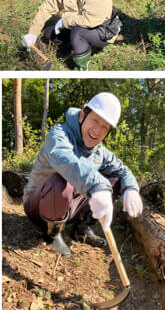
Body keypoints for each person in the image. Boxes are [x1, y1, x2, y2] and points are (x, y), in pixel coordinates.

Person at [22, 92, 142, 257]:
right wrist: (97, 185)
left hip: (69, 208)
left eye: (105, 127)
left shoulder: (100, 152)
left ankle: (82, 227)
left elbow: (123, 170)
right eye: (95, 120)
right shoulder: (60, 134)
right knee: (61, 179)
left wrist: (131, 188)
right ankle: (52, 234)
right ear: (81, 116)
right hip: (38, 206)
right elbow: (64, 159)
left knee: (116, 179)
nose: (97, 130)